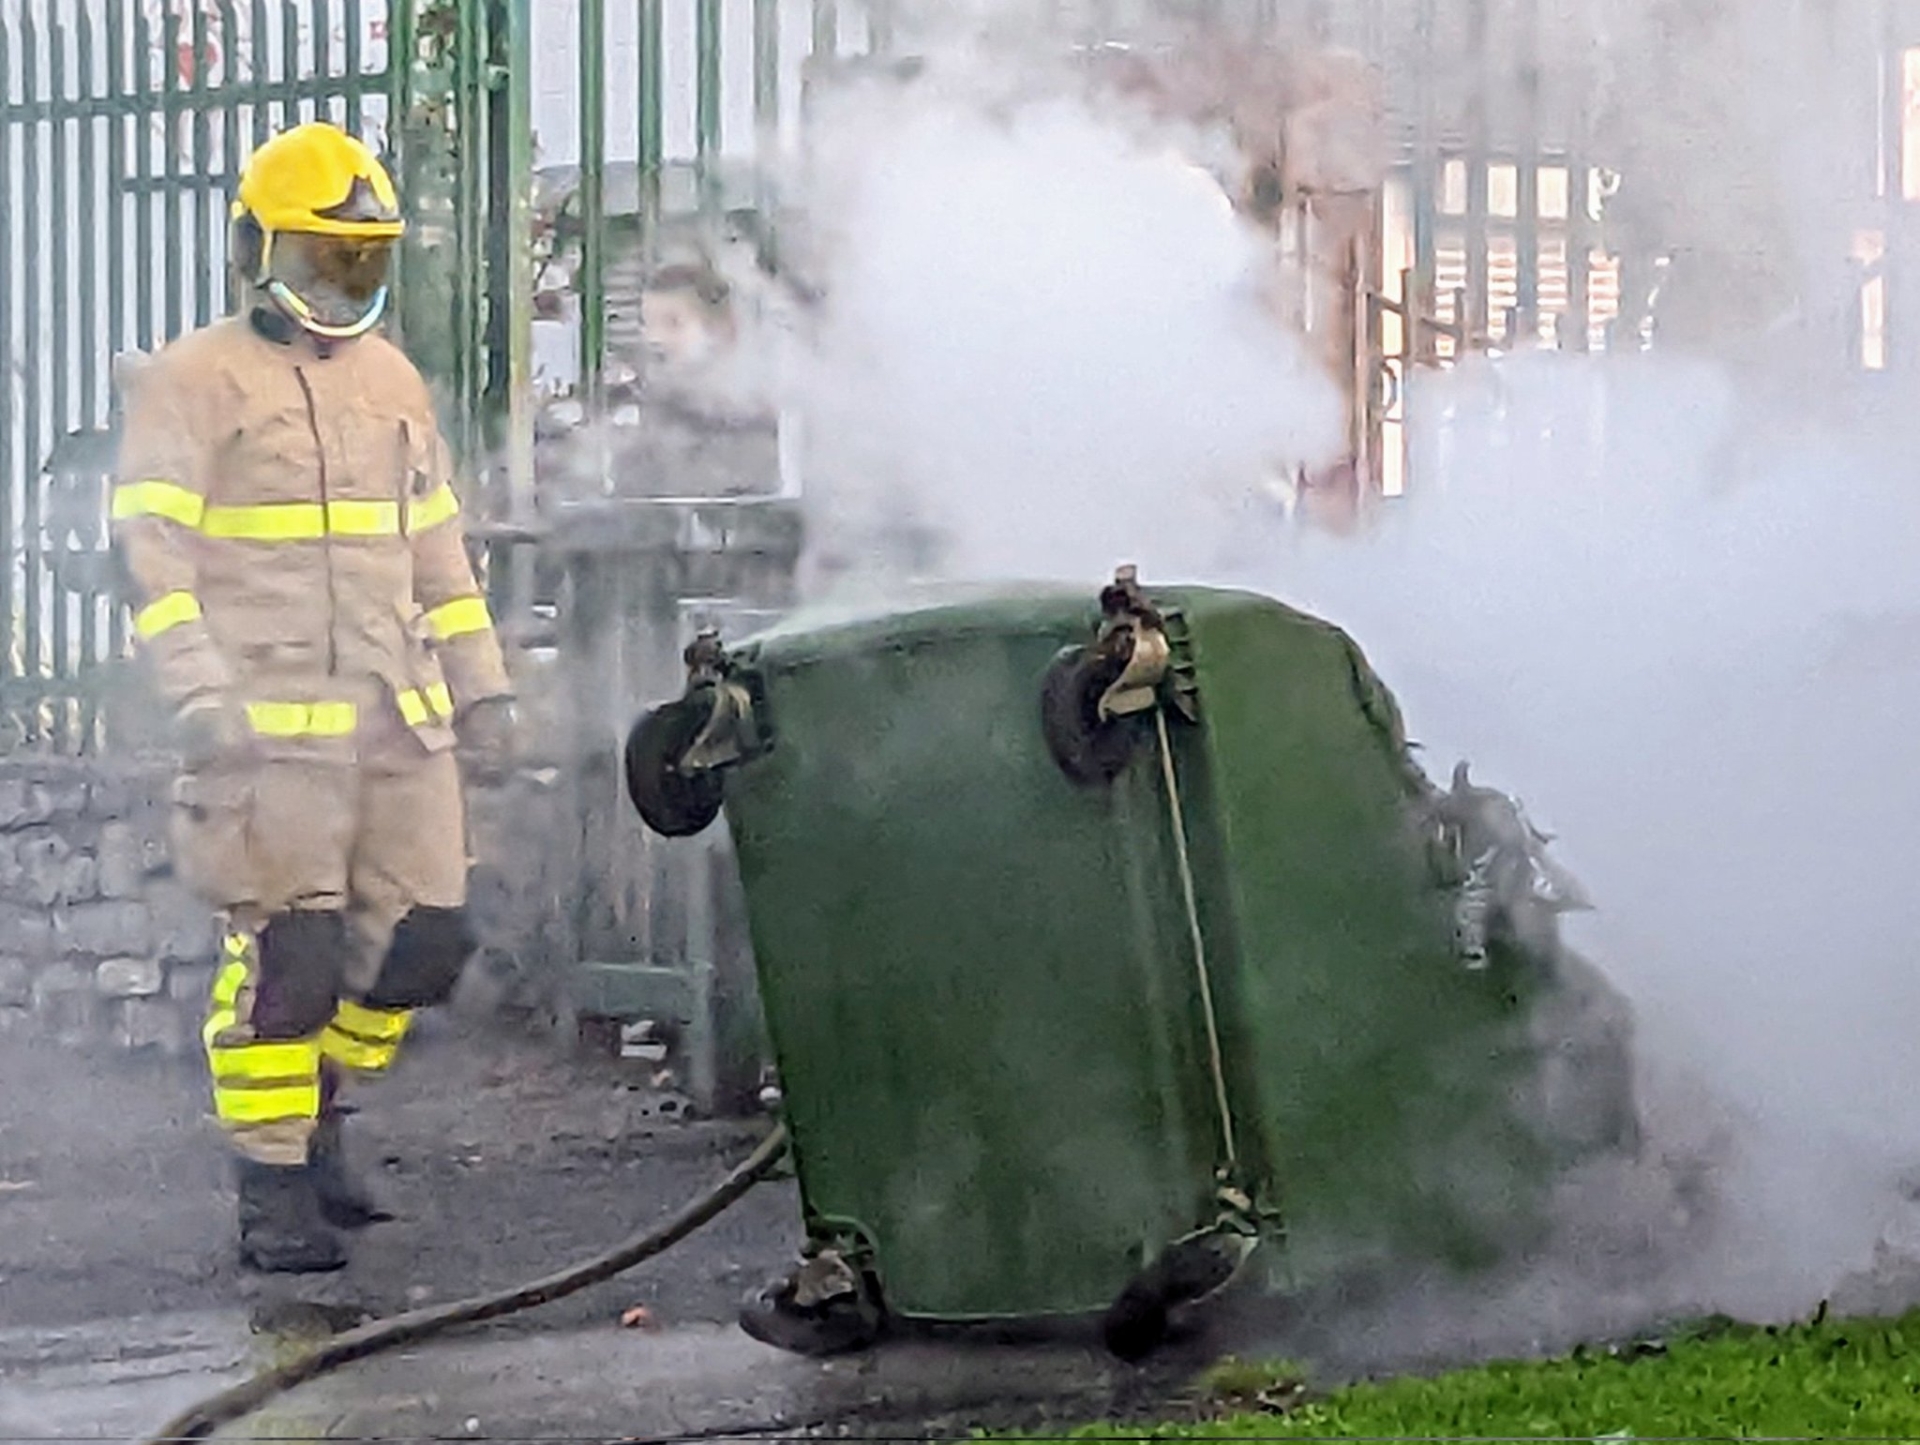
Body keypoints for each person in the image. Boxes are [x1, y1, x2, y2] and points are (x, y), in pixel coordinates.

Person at [110, 121, 516, 1273]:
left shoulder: (392, 381)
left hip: (401, 729)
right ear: (255, 248)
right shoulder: (191, 382)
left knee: (426, 940)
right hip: (263, 746)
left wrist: (484, 691)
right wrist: (198, 694)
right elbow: (155, 560)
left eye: (361, 262)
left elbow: (438, 552)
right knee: (289, 961)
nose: (341, 286)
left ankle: (321, 1108)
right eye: (318, 258)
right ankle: (273, 1182)